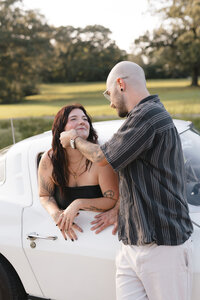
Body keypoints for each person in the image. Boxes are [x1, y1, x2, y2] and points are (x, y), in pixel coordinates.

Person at [60, 61, 194, 300]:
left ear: (120, 84)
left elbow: (102, 157)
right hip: (131, 244)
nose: (110, 102)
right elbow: (137, 174)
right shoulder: (140, 117)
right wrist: (119, 207)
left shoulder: (149, 115)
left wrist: (73, 140)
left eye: (109, 93)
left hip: (163, 246)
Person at [38, 104, 119, 241]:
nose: (82, 121)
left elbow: (112, 199)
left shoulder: (99, 159)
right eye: (73, 119)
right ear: (61, 129)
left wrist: (79, 203)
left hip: (99, 234)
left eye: (85, 119)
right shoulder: (49, 160)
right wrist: (56, 214)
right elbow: (44, 195)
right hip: (64, 238)